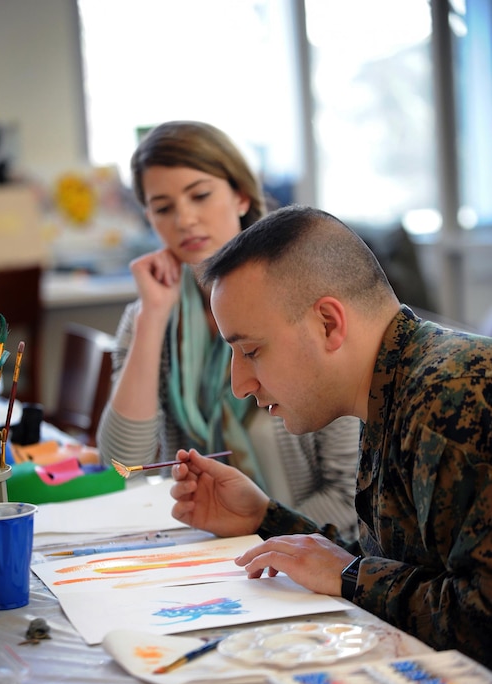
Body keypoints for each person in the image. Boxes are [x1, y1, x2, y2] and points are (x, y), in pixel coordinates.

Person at [170, 204, 492, 670]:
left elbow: (482, 618)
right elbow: (411, 570)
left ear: (328, 323)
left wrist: (350, 575)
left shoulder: (453, 397)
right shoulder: (395, 387)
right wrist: (266, 518)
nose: (240, 384)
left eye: (252, 351)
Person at [97, 122, 360, 538]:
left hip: (303, 552)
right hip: (212, 551)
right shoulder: (150, 314)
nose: (185, 219)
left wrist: (256, 533)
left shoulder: (301, 299)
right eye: (163, 208)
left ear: (240, 194)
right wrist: (152, 318)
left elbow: (350, 496)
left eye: (200, 195)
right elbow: (120, 464)